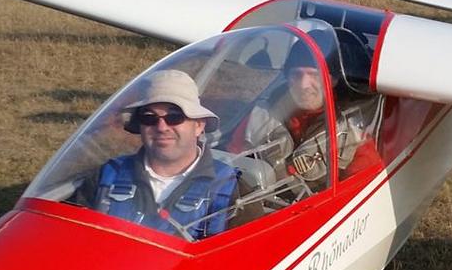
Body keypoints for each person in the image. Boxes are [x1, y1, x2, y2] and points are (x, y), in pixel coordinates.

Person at [87, 70, 240, 239]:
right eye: (149, 118)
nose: (161, 127)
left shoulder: (231, 188)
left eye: (174, 117)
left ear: (198, 125)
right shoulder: (105, 176)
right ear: (140, 125)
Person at [241, 56, 381, 195]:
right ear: (287, 78)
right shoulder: (263, 114)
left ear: (332, 80)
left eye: (315, 75)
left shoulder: (353, 136)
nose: (304, 85)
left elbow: (360, 195)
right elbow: (233, 164)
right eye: (296, 75)